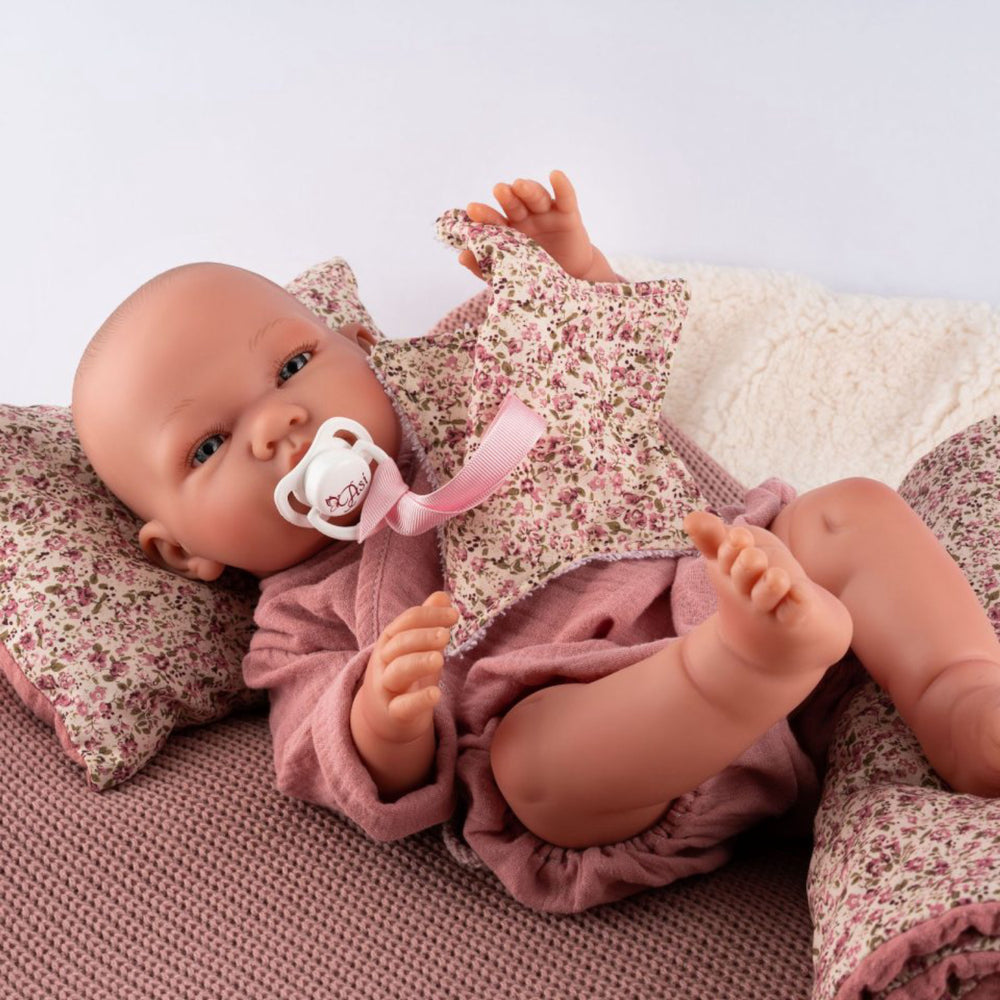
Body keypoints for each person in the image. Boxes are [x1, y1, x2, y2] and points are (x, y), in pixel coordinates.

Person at [71, 171, 1000, 912]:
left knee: (848, 513)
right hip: (627, 749)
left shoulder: (464, 388)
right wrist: (383, 717)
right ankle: (745, 667)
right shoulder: (297, 620)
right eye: (208, 446)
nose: (279, 423)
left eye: (293, 365)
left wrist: (567, 271)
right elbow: (339, 763)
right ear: (182, 552)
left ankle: (963, 697)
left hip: (732, 581)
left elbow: (593, 375)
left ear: (362, 347)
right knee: (530, 768)